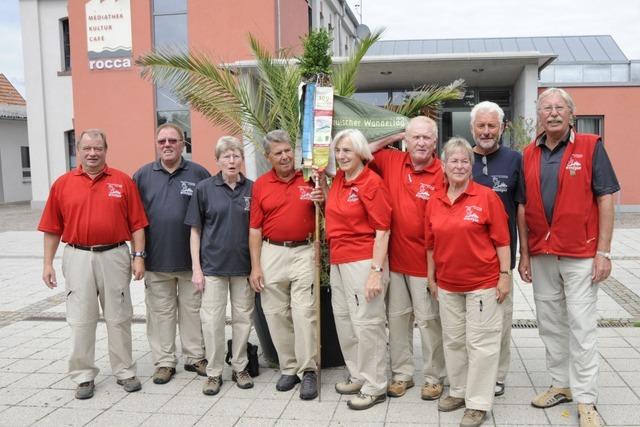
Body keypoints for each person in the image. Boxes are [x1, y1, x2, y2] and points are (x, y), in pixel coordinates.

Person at [518, 88, 619, 427]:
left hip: (580, 254)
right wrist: (525, 253)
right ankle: (560, 383)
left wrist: (603, 252)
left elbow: (606, 198)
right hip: (543, 254)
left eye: (559, 107)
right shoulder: (527, 153)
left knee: (581, 325)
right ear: (539, 116)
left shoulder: (591, 146)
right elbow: (522, 206)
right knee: (550, 324)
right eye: (546, 107)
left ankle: (587, 399)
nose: (553, 113)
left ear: (571, 114)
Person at [38, 129, 148, 400]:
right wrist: (47, 264)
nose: (92, 153)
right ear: (79, 151)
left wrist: (139, 257)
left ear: (105, 150)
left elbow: (137, 225)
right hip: (77, 256)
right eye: (87, 148)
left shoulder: (122, 182)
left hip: (115, 256)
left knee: (119, 316)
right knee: (80, 319)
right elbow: (52, 228)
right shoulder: (62, 184)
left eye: (98, 148)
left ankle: (124, 370)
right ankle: (83, 375)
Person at [425, 137, 510, 427]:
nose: (459, 165)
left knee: (481, 344)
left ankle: (477, 403)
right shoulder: (435, 200)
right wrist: (431, 277)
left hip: (483, 283)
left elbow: (502, 240)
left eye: (464, 161)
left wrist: (504, 276)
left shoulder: (486, 197)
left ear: (471, 167)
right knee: (454, 341)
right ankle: (459, 391)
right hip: (448, 284)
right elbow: (430, 245)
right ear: (444, 166)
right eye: (453, 161)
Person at [368, 116, 446, 400]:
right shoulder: (392, 161)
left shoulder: (444, 173)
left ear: (435, 142)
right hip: (395, 260)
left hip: (426, 265)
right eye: (415, 137)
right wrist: (396, 135)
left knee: (429, 322)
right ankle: (402, 374)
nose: (421, 143)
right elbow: (362, 150)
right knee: (397, 319)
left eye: (427, 137)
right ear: (406, 140)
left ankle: (434, 376)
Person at [132, 123, 210, 384]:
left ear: (183, 144)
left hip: (192, 263)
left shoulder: (199, 173)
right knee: (160, 314)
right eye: (162, 140)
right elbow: (135, 221)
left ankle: (195, 356)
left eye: (172, 140)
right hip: (156, 261)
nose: (167, 145)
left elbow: (209, 216)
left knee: (192, 310)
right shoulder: (142, 176)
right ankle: (164, 362)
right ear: (156, 144)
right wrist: (138, 256)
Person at [248, 129, 323, 400]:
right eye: (278, 153)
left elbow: (329, 210)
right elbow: (254, 229)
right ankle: (288, 368)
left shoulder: (310, 178)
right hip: (271, 252)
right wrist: (256, 267)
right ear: (268, 157)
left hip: (304, 250)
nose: (285, 156)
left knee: (304, 312)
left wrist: (321, 196)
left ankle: (309, 371)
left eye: (288, 150)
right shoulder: (261, 185)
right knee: (275, 312)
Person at [325, 129, 392, 410]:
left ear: (362, 153)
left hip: (363, 261)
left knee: (368, 324)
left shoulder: (370, 183)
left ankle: (375, 384)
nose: (341, 156)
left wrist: (375, 272)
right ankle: (358, 374)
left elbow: (383, 230)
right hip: (338, 261)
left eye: (347, 151)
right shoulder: (340, 177)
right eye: (338, 150)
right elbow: (322, 163)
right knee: (345, 321)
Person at [185, 136, 255, 396]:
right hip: (212, 268)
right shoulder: (204, 189)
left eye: (236, 155)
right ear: (217, 160)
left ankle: (240, 366)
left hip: (243, 268)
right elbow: (195, 232)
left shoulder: (252, 189)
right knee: (212, 322)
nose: (232, 160)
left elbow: (256, 231)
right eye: (226, 156)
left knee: (242, 320)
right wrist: (196, 269)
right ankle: (214, 372)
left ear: (242, 160)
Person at [469, 101, 524, 397]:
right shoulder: (460, 159)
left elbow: (522, 209)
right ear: (472, 128)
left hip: (501, 258)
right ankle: (470, 370)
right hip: (465, 258)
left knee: (500, 321)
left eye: (492, 126)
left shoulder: (515, 159)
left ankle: (498, 374)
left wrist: (524, 253)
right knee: (468, 321)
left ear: (502, 128)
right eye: (481, 125)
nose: (486, 131)